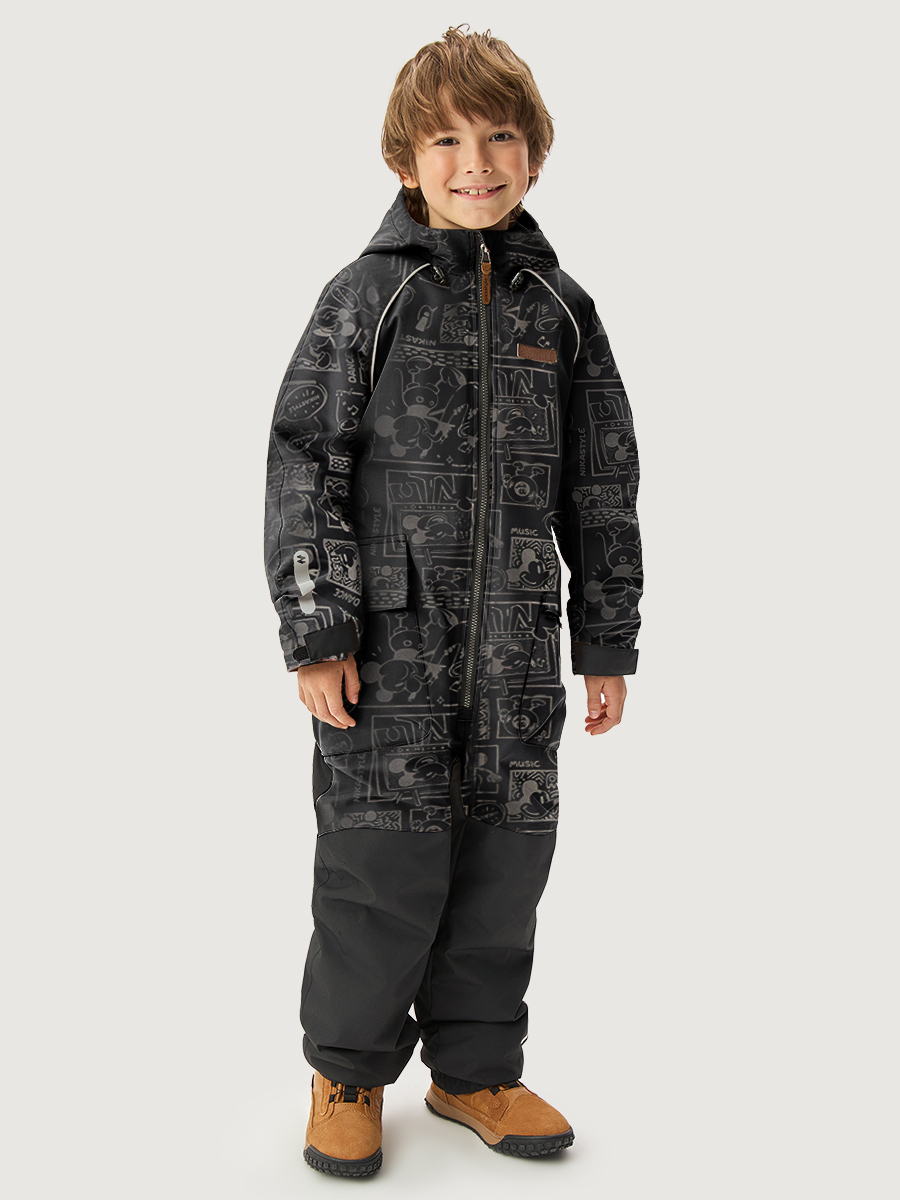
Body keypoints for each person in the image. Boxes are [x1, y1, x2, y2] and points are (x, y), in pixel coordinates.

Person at [262, 24, 643, 1178]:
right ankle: (347, 1071)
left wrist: (606, 640)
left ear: (535, 153)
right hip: (391, 655)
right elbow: (305, 464)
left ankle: (476, 1071)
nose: (476, 163)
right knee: (379, 872)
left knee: (502, 870)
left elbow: (601, 484)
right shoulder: (365, 297)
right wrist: (318, 630)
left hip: (519, 654)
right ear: (404, 160)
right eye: (446, 142)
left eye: (500, 137)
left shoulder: (561, 311)